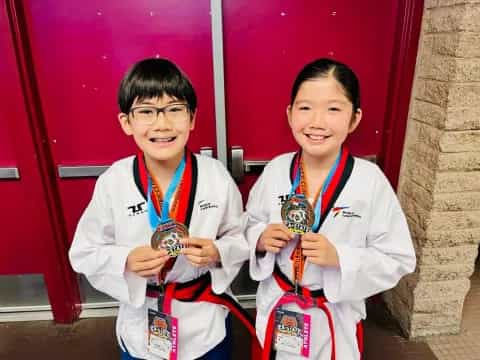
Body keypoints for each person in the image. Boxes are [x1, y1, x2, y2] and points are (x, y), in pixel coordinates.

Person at [69, 58, 252, 359]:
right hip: (142, 323)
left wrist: (218, 251)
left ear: (192, 118)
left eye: (175, 109)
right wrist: (125, 259)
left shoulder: (215, 175)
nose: (162, 124)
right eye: (146, 112)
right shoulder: (113, 181)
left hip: (204, 320)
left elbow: (240, 236)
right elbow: (84, 252)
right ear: (126, 122)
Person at [245, 58, 416, 359]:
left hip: (333, 318)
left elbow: (398, 258)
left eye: (333, 109)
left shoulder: (370, 181)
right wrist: (259, 239)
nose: (317, 122)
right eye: (305, 107)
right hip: (278, 310)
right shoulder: (275, 170)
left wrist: (340, 258)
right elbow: (247, 224)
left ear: (354, 118)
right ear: (289, 113)